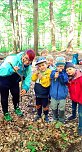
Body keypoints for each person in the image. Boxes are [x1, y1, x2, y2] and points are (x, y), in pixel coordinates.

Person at [0, 49, 35, 121]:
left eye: (29, 60)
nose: (27, 62)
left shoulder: (28, 67)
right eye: (26, 58)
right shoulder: (12, 59)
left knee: (16, 94)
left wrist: (25, 88)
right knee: (4, 96)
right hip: (4, 79)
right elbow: (1, 71)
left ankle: (16, 107)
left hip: (14, 80)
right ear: (23, 55)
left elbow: (28, 77)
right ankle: (6, 112)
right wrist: (11, 70)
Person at [32, 56, 51, 122]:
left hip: (44, 93)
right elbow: (33, 79)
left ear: (47, 64)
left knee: (45, 105)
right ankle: (39, 114)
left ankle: (46, 115)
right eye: (39, 66)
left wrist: (42, 78)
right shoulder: (38, 72)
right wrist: (36, 74)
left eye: (43, 65)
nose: (41, 67)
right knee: (38, 105)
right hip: (37, 93)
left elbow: (47, 84)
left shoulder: (49, 72)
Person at [50, 56, 68, 123]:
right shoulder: (53, 72)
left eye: (62, 66)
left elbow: (64, 81)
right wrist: (55, 75)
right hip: (53, 94)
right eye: (59, 66)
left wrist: (60, 75)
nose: (60, 67)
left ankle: (61, 119)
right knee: (54, 107)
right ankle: (55, 118)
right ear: (56, 66)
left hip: (62, 95)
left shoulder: (65, 73)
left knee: (61, 108)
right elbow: (51, 76)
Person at [65, 62, 82, 136]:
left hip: (80, 98)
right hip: (73, 97)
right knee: (73, 108)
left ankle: (80, 127)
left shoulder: (80, 77)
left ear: (74, 68)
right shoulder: (69, 78)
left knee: (80, 113)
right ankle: (73, 115)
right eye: (67, 70)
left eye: (70, 69)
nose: (69, 71)